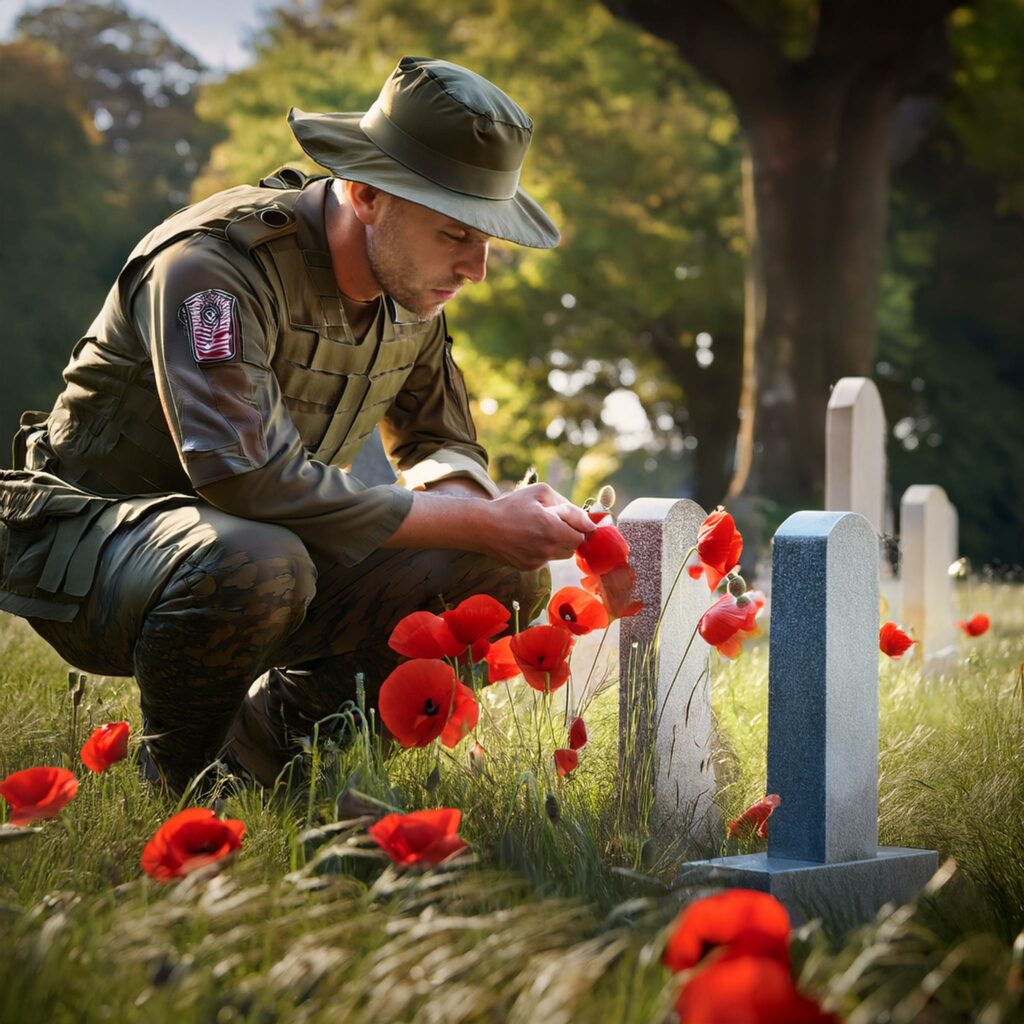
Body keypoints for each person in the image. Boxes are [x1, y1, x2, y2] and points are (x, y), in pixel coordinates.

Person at [0, 56, 595, 794]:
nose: (476, 268)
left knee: (503, 575)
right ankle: (181, 785)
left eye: (487, 241)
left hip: (263, 548)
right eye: (454, 235)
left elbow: (439, 442)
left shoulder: (410, 287)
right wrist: (474, 523)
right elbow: (244, 477)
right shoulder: (214, 268)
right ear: (368, 194)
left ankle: (269, 763)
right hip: (93, 553)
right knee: (261, 556)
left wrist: (492, 516)